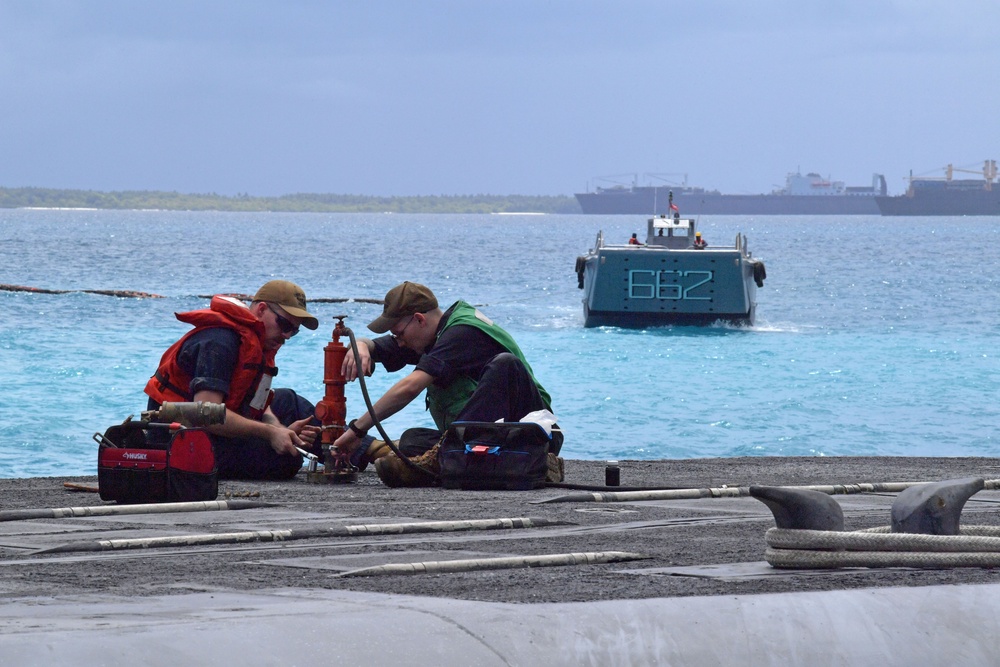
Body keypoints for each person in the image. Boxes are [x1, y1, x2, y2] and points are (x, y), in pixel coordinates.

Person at [333, 281, 562, 485]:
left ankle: (447, 460)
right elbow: (385, 347)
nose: (399, 342)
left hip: (534, 433)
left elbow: (410, 387)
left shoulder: (462, 333)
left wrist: (357, 430)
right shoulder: (435, 336)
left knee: (505, 364)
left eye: (399, 334)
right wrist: (362, 345)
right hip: (495, 434)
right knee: (411, 441)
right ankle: (460, 458)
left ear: (419, 319)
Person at [144, 280, 323, 480]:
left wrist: (280, 429)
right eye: (284, 324)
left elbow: (259, 405)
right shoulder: (219, 342)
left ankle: (351, 449)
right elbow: (206, 416)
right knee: (286, 460)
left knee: (290, 401)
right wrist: (269, 433)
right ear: (262, 309)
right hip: (182, 438)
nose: (287, 336)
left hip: (219, 424)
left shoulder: (258, 343)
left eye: (294, 330)